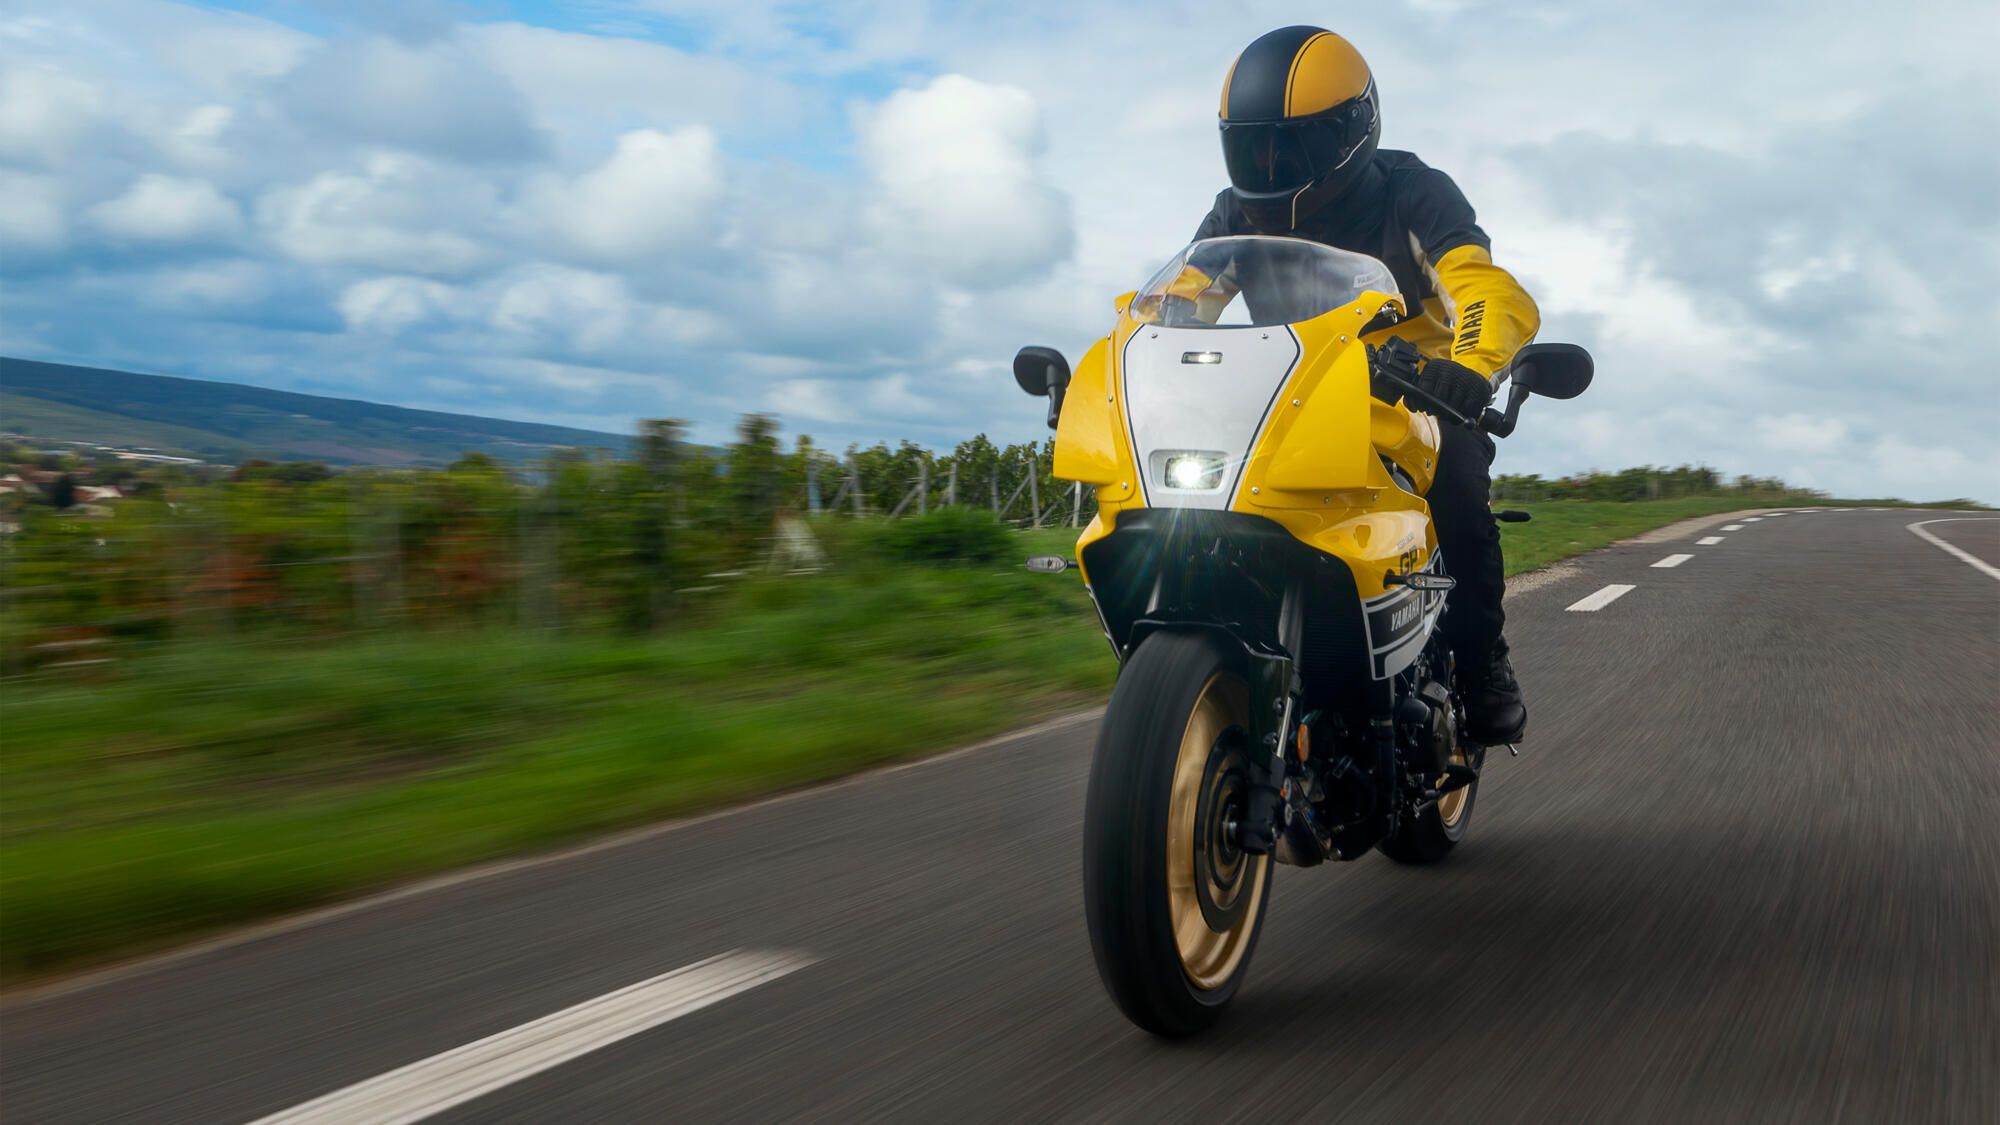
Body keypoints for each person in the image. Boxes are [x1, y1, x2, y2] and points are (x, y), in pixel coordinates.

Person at [1194, 25, 1539, 744]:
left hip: (1417, 402)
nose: (1269, 165)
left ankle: (1483, 661)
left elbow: (1483, 288)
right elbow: (1175, 304)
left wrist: (1470, 368)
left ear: (1351, 133)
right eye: (1253, 147)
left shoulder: (1412, 192)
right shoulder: (1232, 216)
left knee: (1458, 491)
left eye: (1291, 145)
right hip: (1286, 402)